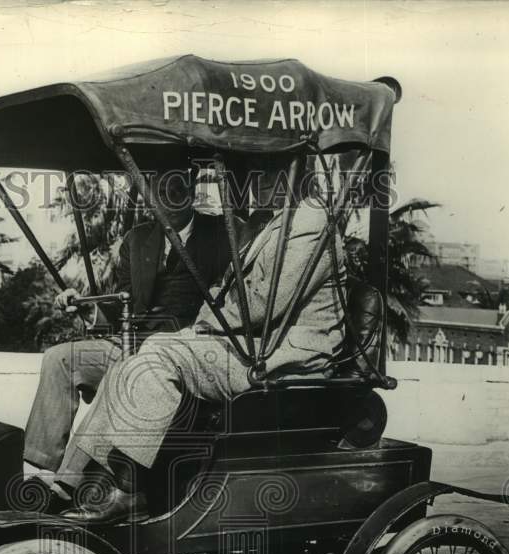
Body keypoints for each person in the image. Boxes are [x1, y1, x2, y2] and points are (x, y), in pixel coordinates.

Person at [58, 162, 347, 522]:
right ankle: (92, 480)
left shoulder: (311, 221)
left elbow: (265, 302)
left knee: (157, 357)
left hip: (283, 359)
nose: (255, 183)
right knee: (140, 356)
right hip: (251, 345)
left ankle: (129, 490)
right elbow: (224, 286)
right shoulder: (269, 224)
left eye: (268, 173)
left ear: (296, 176)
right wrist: (210, 319)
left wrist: (208, 322)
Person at [21, 170, 238, 501]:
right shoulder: (138, 240)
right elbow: (123, 306)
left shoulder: (220, 236)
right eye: (159, 190)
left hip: (179, 352)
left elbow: (231, 301)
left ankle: (67, 485)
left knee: (124, 373)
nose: (168, 197)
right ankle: (42, 472)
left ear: (192, 191)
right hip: (128, 342)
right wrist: (82, 306)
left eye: (177, 188)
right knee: (59, 359)